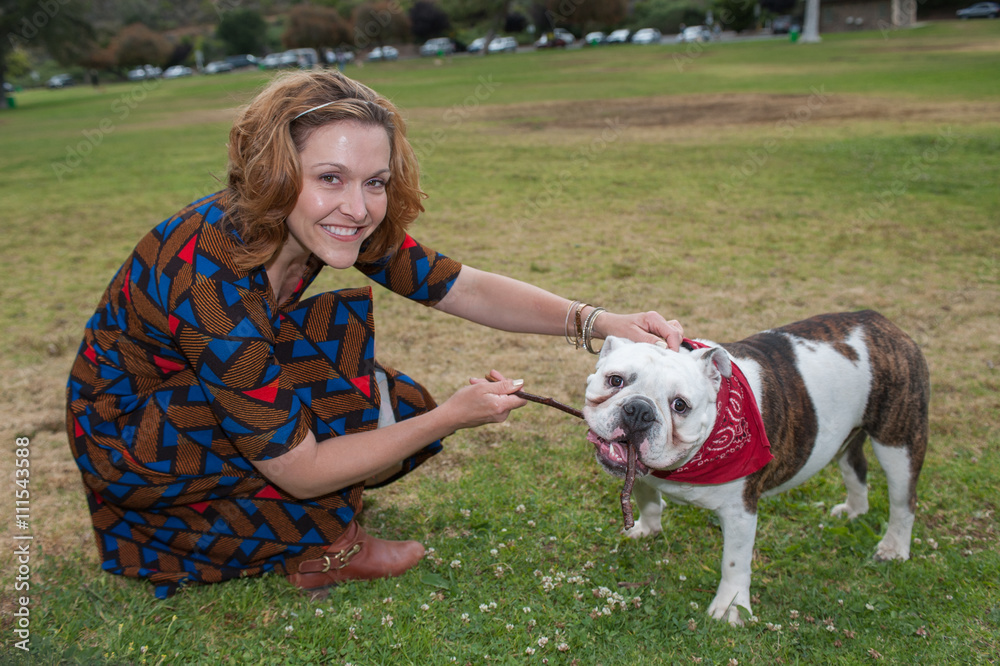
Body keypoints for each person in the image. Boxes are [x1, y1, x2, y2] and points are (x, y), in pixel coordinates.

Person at [65, 70, 683, 599]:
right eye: (330, 177)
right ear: (275, 172)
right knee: (345, 425)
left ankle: (296, 525)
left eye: (375, 181)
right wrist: (449, 417)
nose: (358, 208)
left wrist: (599, 322)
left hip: (189, 398)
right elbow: (301, 470)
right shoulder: (209, 278)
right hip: (125, 433)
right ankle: (324, 548)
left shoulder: (317, 223)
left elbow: (459, 286)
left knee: (374, 395)